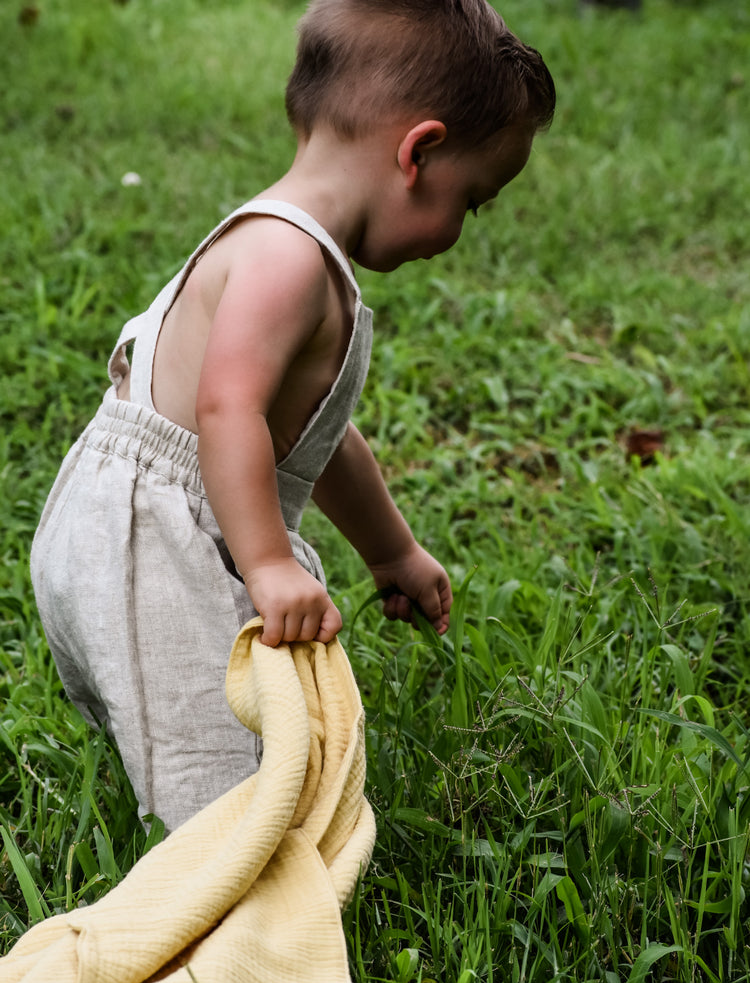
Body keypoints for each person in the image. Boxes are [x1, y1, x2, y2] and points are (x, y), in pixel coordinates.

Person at [30, 0, 556, 832]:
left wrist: (395, 552)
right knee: (227, 811)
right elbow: (226, 406)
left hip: (152, 531)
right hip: (149, 547)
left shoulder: (297, 249)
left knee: (259, 749)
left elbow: (317, 439)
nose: (460, 228)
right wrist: (269, 563)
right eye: (473, 200)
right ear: (418, 150)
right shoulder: (286, 257)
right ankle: (222, 926)